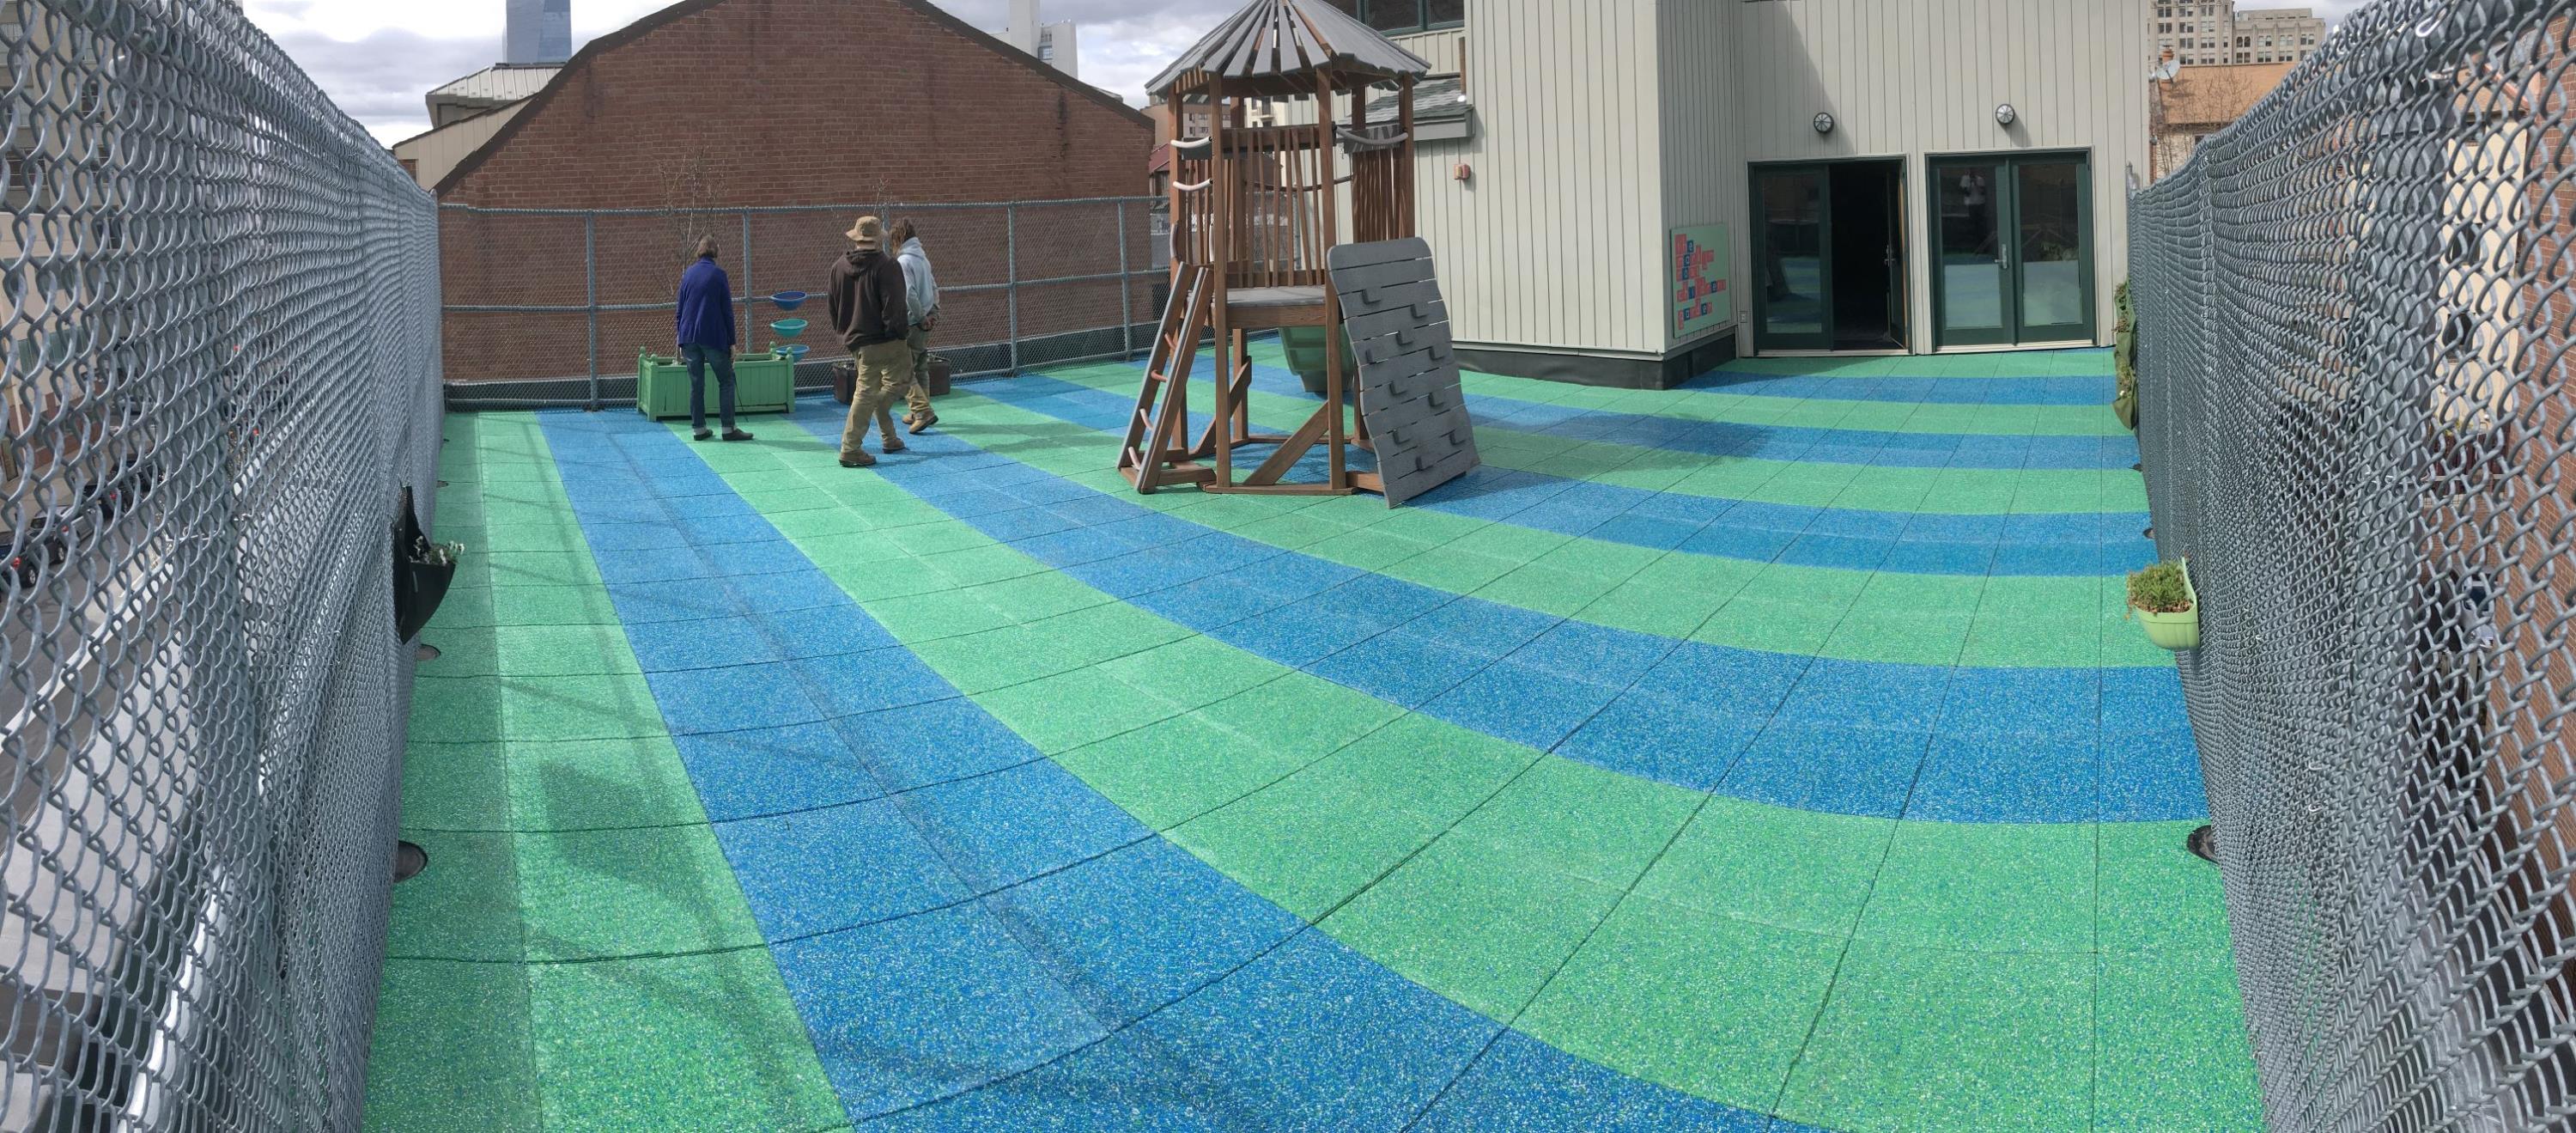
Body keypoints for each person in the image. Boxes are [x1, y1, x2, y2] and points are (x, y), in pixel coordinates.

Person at [825, 216, 911, 467]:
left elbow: (832, 305)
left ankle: (889, 437)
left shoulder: (839, 267)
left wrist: (845, 332)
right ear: (878, 240)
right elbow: (895, 305)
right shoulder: (887, 266)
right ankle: (851, 447)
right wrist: (898, 332)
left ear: (856, 238)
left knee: (870, 387)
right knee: (896, 381)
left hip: (857, 341)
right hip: (886, 339)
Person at [675, 235, 752, 442]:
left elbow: (680, 309)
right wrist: (732, 341)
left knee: (696, 384)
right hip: (712, 335)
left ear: (699, 252)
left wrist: (679, 337)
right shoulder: (719, 275)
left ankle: (699, 429)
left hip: (689, 335)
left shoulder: (688, 274)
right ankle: (728, 428)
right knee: (726, 380)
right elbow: (726, 310)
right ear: (716, 252)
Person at [891, 218, 941, 434]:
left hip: (913, 322)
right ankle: (920, 409)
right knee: (921, 366)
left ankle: (921, 412)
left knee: (905, 368)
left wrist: (920, 317)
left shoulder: (903, 262)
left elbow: (908, 293)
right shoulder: (923, 259)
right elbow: (933, 285)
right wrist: (933, 313)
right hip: (925, 320)